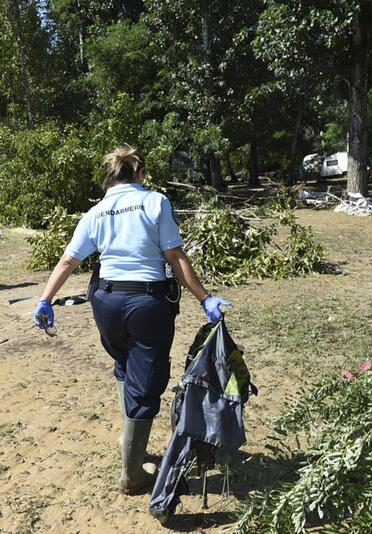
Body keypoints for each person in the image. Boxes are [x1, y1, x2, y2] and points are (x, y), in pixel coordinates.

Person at [32, 145, 230, 494]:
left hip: (105, 302)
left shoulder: (97, 210)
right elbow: (174, 257)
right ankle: (133, 475)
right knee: (146, 382)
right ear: (140, 174)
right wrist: (205, 297)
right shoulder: (155, 202)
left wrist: (46, 300)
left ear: (112, 176)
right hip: (146, 303)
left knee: (126, 364)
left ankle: (130, 442)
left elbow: (68, 261)